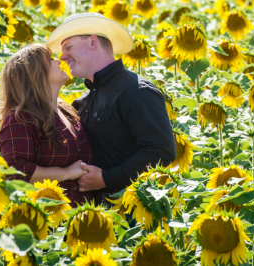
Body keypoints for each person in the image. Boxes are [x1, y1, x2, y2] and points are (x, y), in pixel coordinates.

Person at [46, 12, 176, 206]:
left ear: (92, 42)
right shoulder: (82, 101)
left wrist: (107, 178)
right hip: (95, 212)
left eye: (68, 47)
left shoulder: (136, 91)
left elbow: (161, 150)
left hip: (136, 211)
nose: (62, 56)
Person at [0, 43, 94, 205]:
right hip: (45, 220)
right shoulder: (20, 118)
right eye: (50, 59)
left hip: (79, 219)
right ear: (35, 73)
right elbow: (15, 172)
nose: (59, 60)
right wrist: (66, 173)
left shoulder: (67, 111)